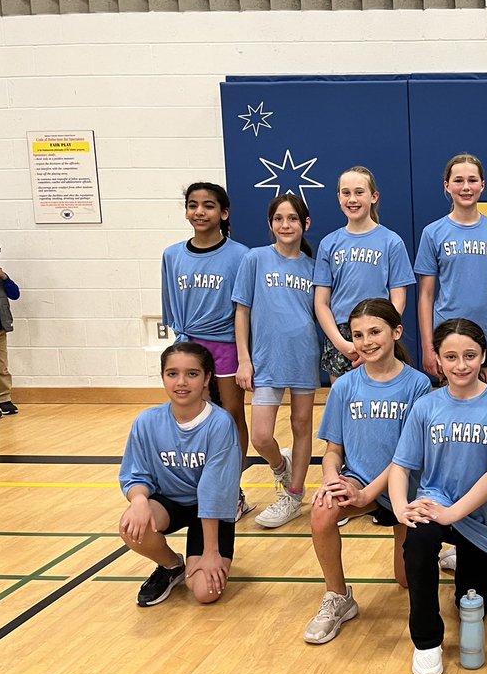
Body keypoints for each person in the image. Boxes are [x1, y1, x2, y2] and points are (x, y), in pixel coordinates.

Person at [385, 318, 487, 674]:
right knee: (417, 543)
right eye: (451, 356)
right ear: (438, 361)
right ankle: (427, 641)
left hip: (478, 519)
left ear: (483, 356)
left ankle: (458, 557)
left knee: (473, 605)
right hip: (434, 504)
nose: (461, 365)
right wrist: (401, 508)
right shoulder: (426, 406)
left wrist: (452, 514)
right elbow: (400, 466)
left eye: (470, 355)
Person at [303, 298, 431, 644]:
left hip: (406, 487)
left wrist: (369, 493)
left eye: (375, 331)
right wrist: (332, 481)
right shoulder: (344, 386)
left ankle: (443, 547)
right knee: (322, 510)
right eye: (358, 335)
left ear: (396, 332)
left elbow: (407, 456)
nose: (367, 341)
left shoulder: (417, 385)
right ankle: (338, 597)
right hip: (360, 481)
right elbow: (332, 452)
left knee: (405, 580)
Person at [117, 342, 241, 606]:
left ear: (207, 378)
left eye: (192, 374)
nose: (181, 382)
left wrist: (211, 552)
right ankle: (172, 566)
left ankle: (202, 556)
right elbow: (135, 474)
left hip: (211, 514)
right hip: (170, 503)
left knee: (205, 593)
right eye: (172, 374)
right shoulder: (147, 421)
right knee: (130, 526)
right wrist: (139, 501)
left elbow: (214, 491)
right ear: (163, 377)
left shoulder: (219, 424)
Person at [160, 182, 251, 519]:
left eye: (208, 205)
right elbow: (170, 304)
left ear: (223, 213)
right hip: (189, 343)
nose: (199, 211)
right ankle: (201, 485)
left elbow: (245, 308)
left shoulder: (241, 255)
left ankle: (233, 488)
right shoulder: (172, 255)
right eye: (193, 204)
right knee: (196, 416)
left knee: (230, 415)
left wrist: (245, 355)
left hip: (226, 343)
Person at [232, 193, 320, 529]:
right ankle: (282, 468)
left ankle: (294, 495)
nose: (286, 224)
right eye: (279, 219)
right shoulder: (255, 259)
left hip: (303, 357)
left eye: (293, 218)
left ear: (305, 224)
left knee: (301, 427)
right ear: (271, 224)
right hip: (266, 360)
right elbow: (242, 311)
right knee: (262, 437)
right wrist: (244, 359)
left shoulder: (314, 268)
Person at [416, 154, 487, 388]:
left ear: (482, 185)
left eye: (472, 180)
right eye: (458, 180)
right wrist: (428, 345)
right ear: (447, 185)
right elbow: (426, 295)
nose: (466, 187)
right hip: (447, 333)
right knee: (451, 409)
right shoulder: (433, 233)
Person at [314, 166, 416, 381]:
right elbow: (321, 303)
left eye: (359, 192)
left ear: (373, 196)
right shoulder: (329, 243)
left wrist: (381, 332)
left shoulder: (391, 242)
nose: (352, 199)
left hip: (380, 332)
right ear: (339, 197)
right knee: (347, 406)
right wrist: (341, 343)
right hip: (341, 336)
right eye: (346, 193)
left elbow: (398, 298)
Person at [0, 241, 19, 417]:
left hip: (0, 328)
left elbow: (15, 294)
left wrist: (5, 278)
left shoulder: (1, 277)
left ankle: (4, 398)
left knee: (2, 366)